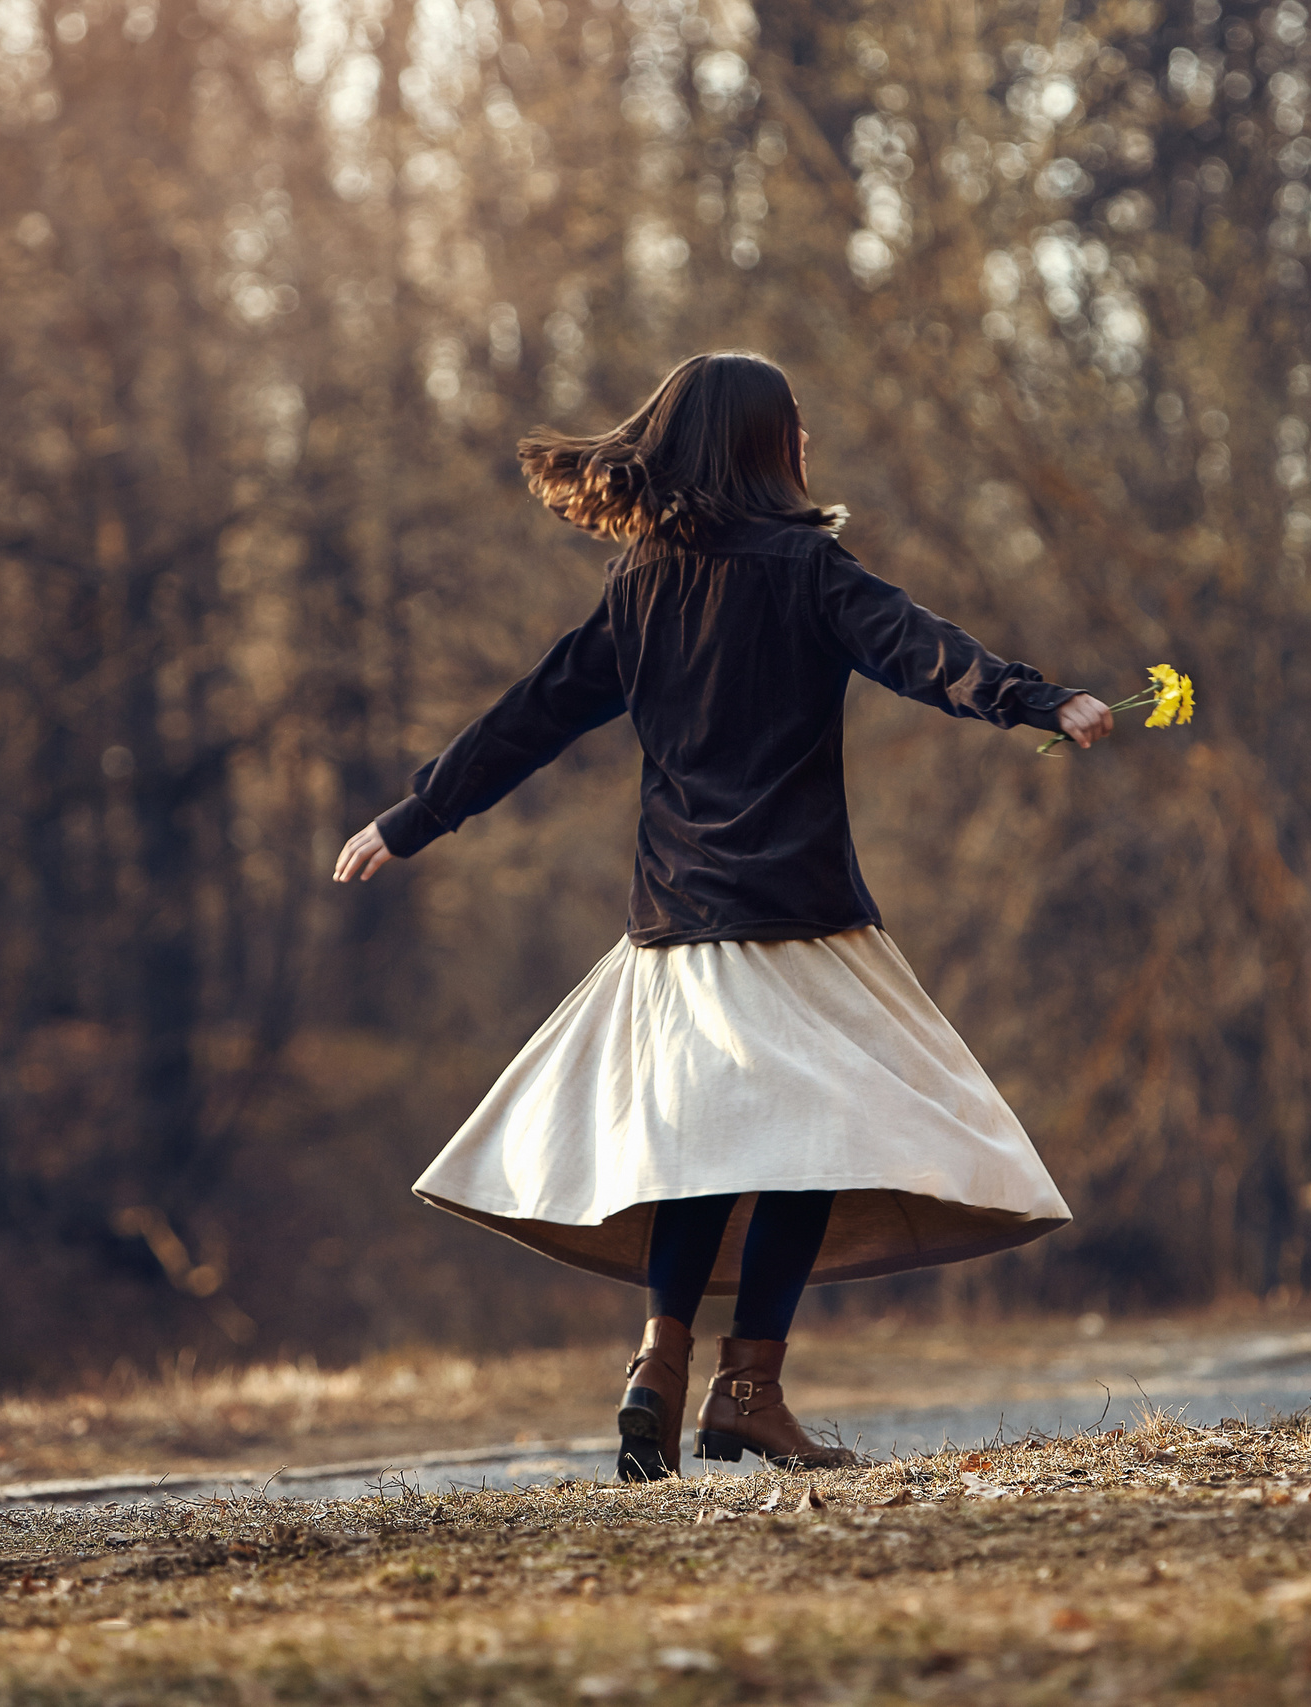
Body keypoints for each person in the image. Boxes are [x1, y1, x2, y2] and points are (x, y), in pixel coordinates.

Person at [334, 351, 1110, 1479]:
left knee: (698, 1155)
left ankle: (658, 1367)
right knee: (808, 1145)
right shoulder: (807, 569)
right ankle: (746, 1389)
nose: (807, 441)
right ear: (758, 441)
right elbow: (918, 649)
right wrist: (1039, 700)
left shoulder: (641, 583)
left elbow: (532, 714)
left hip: (677, 927)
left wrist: (414, 815)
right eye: (794, 423)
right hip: (797, 921)